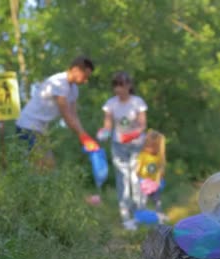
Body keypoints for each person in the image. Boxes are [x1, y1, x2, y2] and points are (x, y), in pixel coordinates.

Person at [15, 55, 99, 169]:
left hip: (41, 129)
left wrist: (84, 137)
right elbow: (66, 114)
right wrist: (83, 136)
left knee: (49, 165)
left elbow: (74, 116)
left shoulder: (74, 89)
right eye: (85, 77)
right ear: (75, 70)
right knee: (38, 166)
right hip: (27, 126)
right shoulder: (59, 82)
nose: (86, 81)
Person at [97, 71, 147, 230]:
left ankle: (139, 214)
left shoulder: (137, 102)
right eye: (116, 86)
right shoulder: (110, 104)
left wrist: (132, 135)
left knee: (135, 178)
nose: (118, 89)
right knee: (122, 179)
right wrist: (103, 134)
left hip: (137, 145)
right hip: (118, 146)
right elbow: (108, 126)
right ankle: (125, 216)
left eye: (122, 85)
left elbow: (142, 125)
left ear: (129, 86)